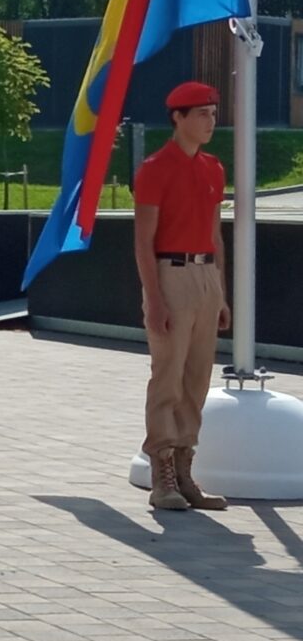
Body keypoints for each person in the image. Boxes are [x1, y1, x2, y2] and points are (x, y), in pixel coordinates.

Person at [133, 80, 230, 511]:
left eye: (213, 112)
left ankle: (186, 470)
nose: (211, 121)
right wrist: (153, 298)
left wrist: (221, 293)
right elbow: (143, 241)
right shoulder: (154, 168)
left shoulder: (213, 168)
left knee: (197, 380)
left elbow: (215, 234)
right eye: (202, 114)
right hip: (170, 275)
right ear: (179, 117)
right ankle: (162, 476)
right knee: (167, 377)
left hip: (205, 276)